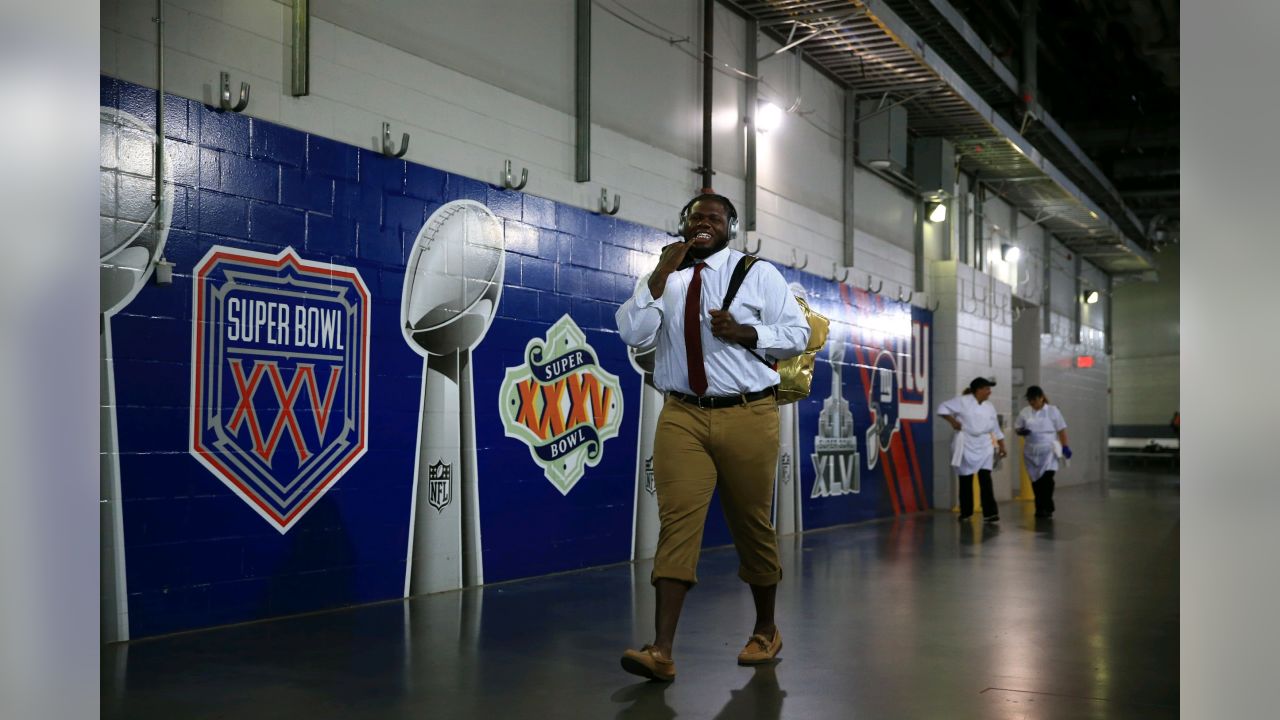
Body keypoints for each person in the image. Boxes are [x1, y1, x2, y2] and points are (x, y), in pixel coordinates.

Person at [614, 193, 811, 682]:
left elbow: (798, 333)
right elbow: (632, 332)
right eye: (695, 217)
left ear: (730, 227)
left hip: (748, 412)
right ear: (683, 224)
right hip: (682, 414)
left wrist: (747, 333)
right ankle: (661, 650)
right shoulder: (666, 277)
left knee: (751, 524)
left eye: (714, 218)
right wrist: (660, 274)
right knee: (677, 523)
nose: (704, 223)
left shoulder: (757, 273)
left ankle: (766, 628)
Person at [937, 377, 1007, 523]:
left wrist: (1002, 445)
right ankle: (966, 512)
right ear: (978, 390)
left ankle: (990, 513)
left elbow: (996, 429)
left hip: (984, 445)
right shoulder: (962, 401)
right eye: (987, 388)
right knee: (965, 479)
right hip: (966, 444)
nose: (989, 392)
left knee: (985, 479)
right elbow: (942, 408)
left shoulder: (989, 406)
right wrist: (953, 421)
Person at [1014, 386, 1070, 518]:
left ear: (1041, 398)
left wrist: (1065, 446)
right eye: (1030, 401)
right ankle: (1039, 507)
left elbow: (1061, 430)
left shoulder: (1053, 411)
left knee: (1047, 479)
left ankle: (1048, 506)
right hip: (1031, 450)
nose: (1032, 403)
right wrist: (1021, 431)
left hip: (1048, 450)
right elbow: (1017, 427)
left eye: (1034, 400)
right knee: (1035, 480)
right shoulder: (1025, 412)